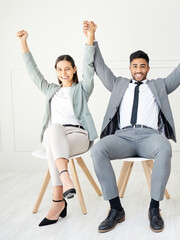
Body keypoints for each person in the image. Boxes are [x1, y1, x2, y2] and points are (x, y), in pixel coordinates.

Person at [83, 21, 180, 233]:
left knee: (164, 147)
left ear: (148, 68)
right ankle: (115, 208)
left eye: (142, 66)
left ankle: (154, 209)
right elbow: (100, 66)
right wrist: (91, 38)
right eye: (135, 66)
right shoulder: (118, 84)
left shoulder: (158, 86)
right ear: (130, 68)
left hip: (149, 137)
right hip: (123, 137)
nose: (139, 70)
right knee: (99, 149)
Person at [16, 22, 98, 227]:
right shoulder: (50, 90)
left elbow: (89, 68)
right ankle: (64, 182)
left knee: (53, 140)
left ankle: (57, 200)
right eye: (60, 69)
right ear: (56, 71)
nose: (64, 73)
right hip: (55, 137)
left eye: (68, 69)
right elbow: (32, 72)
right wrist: (23, 43)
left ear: (73, 69)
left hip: (77, 136)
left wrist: (90, 37)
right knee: (53, 130)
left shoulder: (82, 89)